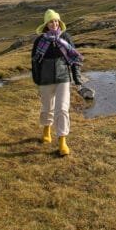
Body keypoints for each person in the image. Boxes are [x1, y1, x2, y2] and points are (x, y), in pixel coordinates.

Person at [31, 9, 84, 155]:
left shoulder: (65, 37)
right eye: (51, 21)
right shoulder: (40, 41)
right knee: (47, 108)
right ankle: (46, 129)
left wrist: (77, 78)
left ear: (59, 22)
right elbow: (35, 61)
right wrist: (37, 79)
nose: (54, 24)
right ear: (46, 24)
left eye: (56, 21)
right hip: (45, 79)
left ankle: (62, 141)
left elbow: (74, 59)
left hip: (63, 78)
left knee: (62, 109)